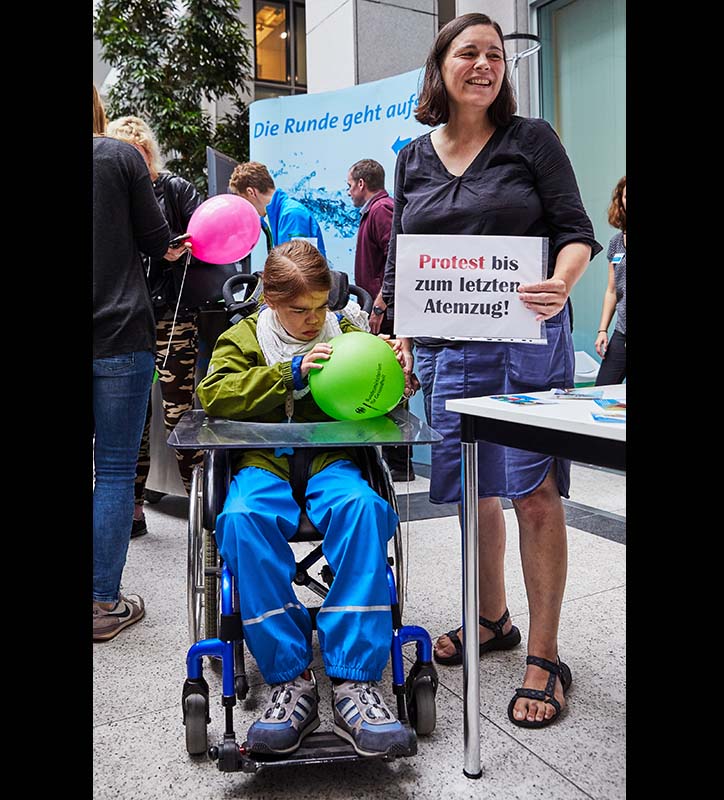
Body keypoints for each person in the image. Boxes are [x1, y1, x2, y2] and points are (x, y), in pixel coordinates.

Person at [382, 14, 602, 728]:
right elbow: (402, 259)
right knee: (469, 491)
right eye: (469, 52)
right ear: (439, 65)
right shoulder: (412, 156)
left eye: (495, 55)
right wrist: (403, 335)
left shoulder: (531, 140)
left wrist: (563, 282)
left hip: (525, 339)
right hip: (448, 347)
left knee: (533, 492)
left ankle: (544, 655)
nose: (484, 64)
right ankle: (492, 618)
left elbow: (576, 232)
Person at [196, 240, 413, 758]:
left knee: (363, 509)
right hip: (263, 462)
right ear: (270, 301)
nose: (314, 321)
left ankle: (354, 680)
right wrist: (285, 375)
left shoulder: (350, 332)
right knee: (242, 518)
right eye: (299, 310)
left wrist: (400, 372)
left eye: (321, 308)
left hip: (332, 462)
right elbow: (214, 394)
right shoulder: (243, 337)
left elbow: (385, 388)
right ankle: (290, 679)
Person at [92, 83, 189, 641]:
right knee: (112, 472)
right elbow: (157, 240)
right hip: (121, 334)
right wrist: (174, 247)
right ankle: (103, 604)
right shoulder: (120, 157)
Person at [106, 115, 206, 536]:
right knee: (131, 418)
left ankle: (203, 505)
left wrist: (177, 250)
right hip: (126, 318)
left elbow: (205, 239)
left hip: (172, 317)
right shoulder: (111, 193)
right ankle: (132, 510)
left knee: (179, 413)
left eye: (140, 153)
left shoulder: (175, 188)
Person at [346, 158, 414, 482]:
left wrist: (382, 303)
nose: (348, 192)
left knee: (395, 379)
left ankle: (400, 463)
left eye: (349, 185)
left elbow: (396, 256)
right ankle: (392, 459)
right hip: (379, 313)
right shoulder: (373, 212)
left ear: (361, 184)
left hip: (387, 314)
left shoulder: (382, 209)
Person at [229, 161, 326, 254]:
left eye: (244, 199)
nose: (246, 206)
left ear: (251, 192)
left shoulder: (292, 214)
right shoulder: (274, 216)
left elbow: (297, 266)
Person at [594, 176, 627, 385]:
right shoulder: (616, 243)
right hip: (621, 332)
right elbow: (612, 290)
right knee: (602, 391)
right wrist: (602, 330)